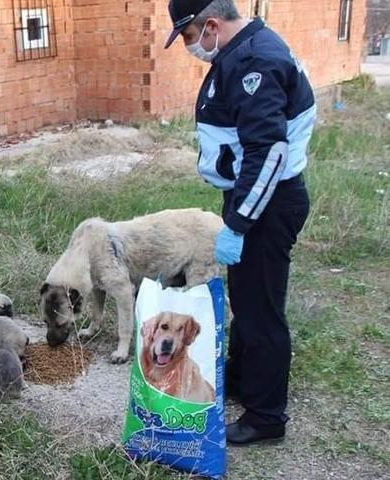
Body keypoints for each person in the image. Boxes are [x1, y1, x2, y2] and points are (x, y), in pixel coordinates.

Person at [165, 0, 314, 445]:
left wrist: (240, 223)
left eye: (189, 36)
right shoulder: (241, 51)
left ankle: (266, 418)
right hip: (254, 200)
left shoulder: (256, 62)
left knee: (263, 311)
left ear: (211, 25)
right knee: (247, 301)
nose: (190, 46)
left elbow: (268, 152)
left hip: (267, 204)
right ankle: (244, 378)